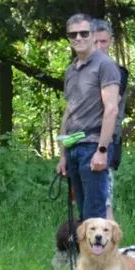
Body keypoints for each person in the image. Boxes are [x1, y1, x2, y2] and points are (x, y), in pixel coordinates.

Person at [56, 12, 122, 221]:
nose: (78, 38)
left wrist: (102, 150)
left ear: (93, 35)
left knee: (96, 217)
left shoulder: (105, 65)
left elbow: (111, 109)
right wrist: (63, 155)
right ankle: (83, 254)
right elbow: (69, 111)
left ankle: (105, 255)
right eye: (73, 34)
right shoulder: (71, 70)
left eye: (83, 33)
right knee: (85, 218)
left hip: (93, 146)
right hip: (74, 147)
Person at [92, 19, 127, 219]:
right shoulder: (82, 70)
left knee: (104, 202)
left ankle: (111, 249)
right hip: (83, 141)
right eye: (95, 42)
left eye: (103, 42)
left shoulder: (117, 72)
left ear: (111, 42)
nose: (99, 47)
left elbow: (109, 104)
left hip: (107, 142)